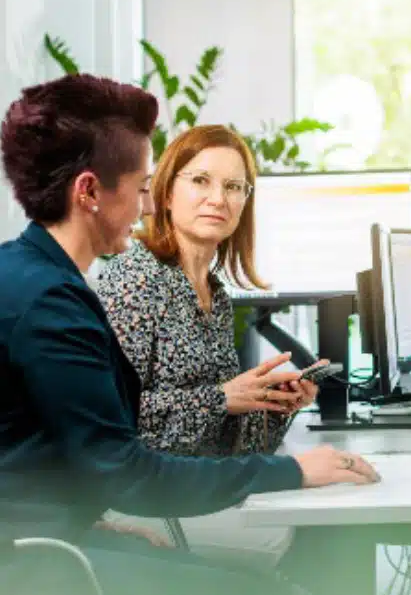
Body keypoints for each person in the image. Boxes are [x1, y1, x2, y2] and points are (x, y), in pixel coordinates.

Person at [0, 73, 378, 595]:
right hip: (36, 559)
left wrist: (93, 521)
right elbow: (126, 466)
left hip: (56, 532)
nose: (146, 206)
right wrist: (291, 471)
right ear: (88, 192)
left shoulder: (32, 277)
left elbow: (54, 449)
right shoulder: (52, 304)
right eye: (141, 188)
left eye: (234, 187)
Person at [95, 124, 320, 567]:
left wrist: (273, 406)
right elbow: (110, 421)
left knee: (325, 503)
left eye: (234, 187)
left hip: (198, 485)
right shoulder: (134, 278)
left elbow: (227, 444)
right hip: (143, 498)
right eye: (201, 180)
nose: (219, 198)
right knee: (310, 529)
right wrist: (221, 398)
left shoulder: (214, 294)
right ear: (165, 193)